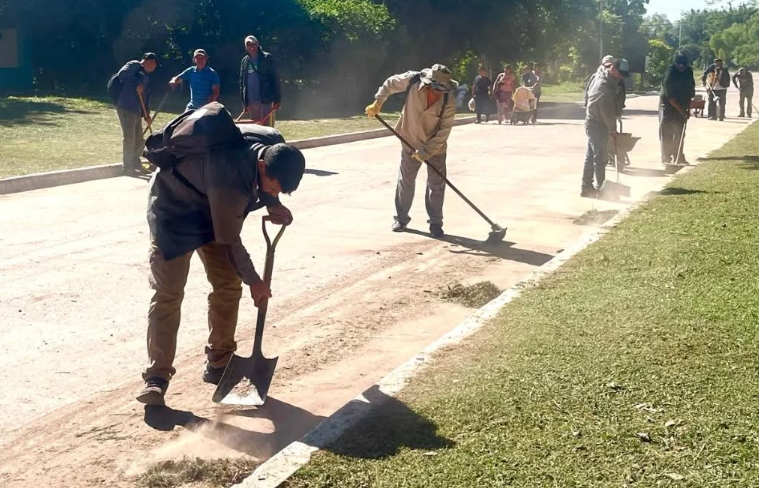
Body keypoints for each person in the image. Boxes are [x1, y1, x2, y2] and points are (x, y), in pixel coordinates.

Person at [136, 113, 306, 406]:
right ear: (262, 166)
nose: (275, 193)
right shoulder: (232, 181)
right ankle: (157, 378)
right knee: (169, 293)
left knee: (228, 285)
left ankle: (219, 362)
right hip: (173, 211)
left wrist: (273, 202)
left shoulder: (273, 143)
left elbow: (234, 217)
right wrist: (255, 281)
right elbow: (229, 240)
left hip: (212, 205)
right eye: (274, 188)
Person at [365, 64, 458, 237]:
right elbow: (390, 83)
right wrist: (378, 102)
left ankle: (436, 223)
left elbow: (443, 132)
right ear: (430, 83)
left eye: (444, 90)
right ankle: (401, 219)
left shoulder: (448, 100)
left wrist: (426, 152)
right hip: (409, 140)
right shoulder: (413, 80)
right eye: (438, 89)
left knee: (436, 185)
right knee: (406, 180)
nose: (440, 93)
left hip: (435, 148)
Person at [582, 59, 629, 198]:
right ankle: (602, 190)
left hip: (595, 121)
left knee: (591, 157)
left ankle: (586, 188)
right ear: (613, 68)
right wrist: (612, 130)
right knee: (600, 158)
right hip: (597, 123)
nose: (621, 76)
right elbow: (607, 114)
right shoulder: (604, 88)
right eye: (620, 73)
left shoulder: (602, 76)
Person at [115, 53, 158, 175]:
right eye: (155, 64)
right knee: (130, 139)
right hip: (126, 107)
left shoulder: (146, 76)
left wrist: (147, 115)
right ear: (151, 61)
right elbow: (122, 74)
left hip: (137, 110)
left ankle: (136, 163)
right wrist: (136, 84)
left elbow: (145, 96)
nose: (155, 68)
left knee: (139, 140)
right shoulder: (134, 65)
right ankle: (128, 168)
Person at [659, 53, 695, 165]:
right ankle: (666, 157)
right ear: (675, 63)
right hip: (668, 105)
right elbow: (671, 98)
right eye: (679, 65)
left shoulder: (689, 72)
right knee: (667, 131)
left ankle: (678, 156)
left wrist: (688, 110)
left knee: (680, 132)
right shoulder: (670, 73)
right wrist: (682, 111)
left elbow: (690, 93)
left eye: (683, 65)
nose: (681, 67)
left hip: (683, 102)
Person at [239, 35, 282, 127]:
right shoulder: (244, 61)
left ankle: (271, 142)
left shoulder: (267, 58)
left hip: (266, 99)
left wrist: (277, 100)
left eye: (253, 44)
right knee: (255, 128)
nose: (252, 47)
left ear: (257, 44)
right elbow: (242, 83)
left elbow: (275, 78)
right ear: (246, 47)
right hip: (251, 100)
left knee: (267, 127)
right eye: (249, 45)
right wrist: (244, 103)